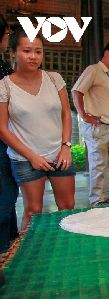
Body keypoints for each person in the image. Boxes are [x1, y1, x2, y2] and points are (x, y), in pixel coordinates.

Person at [0, 28, 75, 230]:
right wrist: (32, 156)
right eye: (27, 51)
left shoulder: (54, 79)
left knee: (68, 208)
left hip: (60, 154)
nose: (33, 56)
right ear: (13, 53)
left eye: (38, 51)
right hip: (26, 159)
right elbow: (2, 129)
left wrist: (66, 146)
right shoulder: (4, 86)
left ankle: (66, 251)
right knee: (33, 211)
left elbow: (66, 114)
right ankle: (28, 258)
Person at [72, 43, 109, 207]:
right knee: (99, 163)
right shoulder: (94, 70)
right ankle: (96, 198)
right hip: (98, 126)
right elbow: (76, 91)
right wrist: (84, 115)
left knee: (108, 163)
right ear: (106, 53)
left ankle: (104, 195)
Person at [0, 16, 19, 253]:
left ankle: (10, 245)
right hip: (4, 143)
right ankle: (5, 250)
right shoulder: (4, 74)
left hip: (7, 142)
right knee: (4, 197)